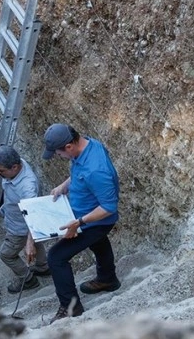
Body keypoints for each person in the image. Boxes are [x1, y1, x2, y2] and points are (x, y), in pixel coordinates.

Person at [42, 123, 121, 323]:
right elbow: (79, 173)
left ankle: (71, 307)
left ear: (69, 146)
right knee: (98, 243)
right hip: (84, 215)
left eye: (59, 153)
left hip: (96, 220)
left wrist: (79, 223)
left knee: (56, 257)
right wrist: (64, 185)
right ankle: (107, 279)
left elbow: (108, 207)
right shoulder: (88, 144)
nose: (59, 156)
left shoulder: (96, 170)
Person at [0, 145, 51, 294]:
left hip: (20, 228)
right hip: (17, 218)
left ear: (15, 167)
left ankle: (28, 280)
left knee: (6, 255)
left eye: (1, 171)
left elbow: (33, 217)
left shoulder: (27, 188)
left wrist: (28, 242)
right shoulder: (17, 167)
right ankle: (43, 267)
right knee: (37, 243)